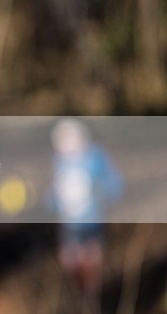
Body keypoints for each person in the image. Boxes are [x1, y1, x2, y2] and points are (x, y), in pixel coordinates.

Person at [49, 118, 122, 294]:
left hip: (91, 223)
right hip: (69, 226)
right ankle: (78, 297)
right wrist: (50, 202)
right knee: (71, 260)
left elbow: (113, 184)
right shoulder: (59, 162)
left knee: (91, 258)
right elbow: (56, 193)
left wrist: (106, 192)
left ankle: (94, 296)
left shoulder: (95, 157)